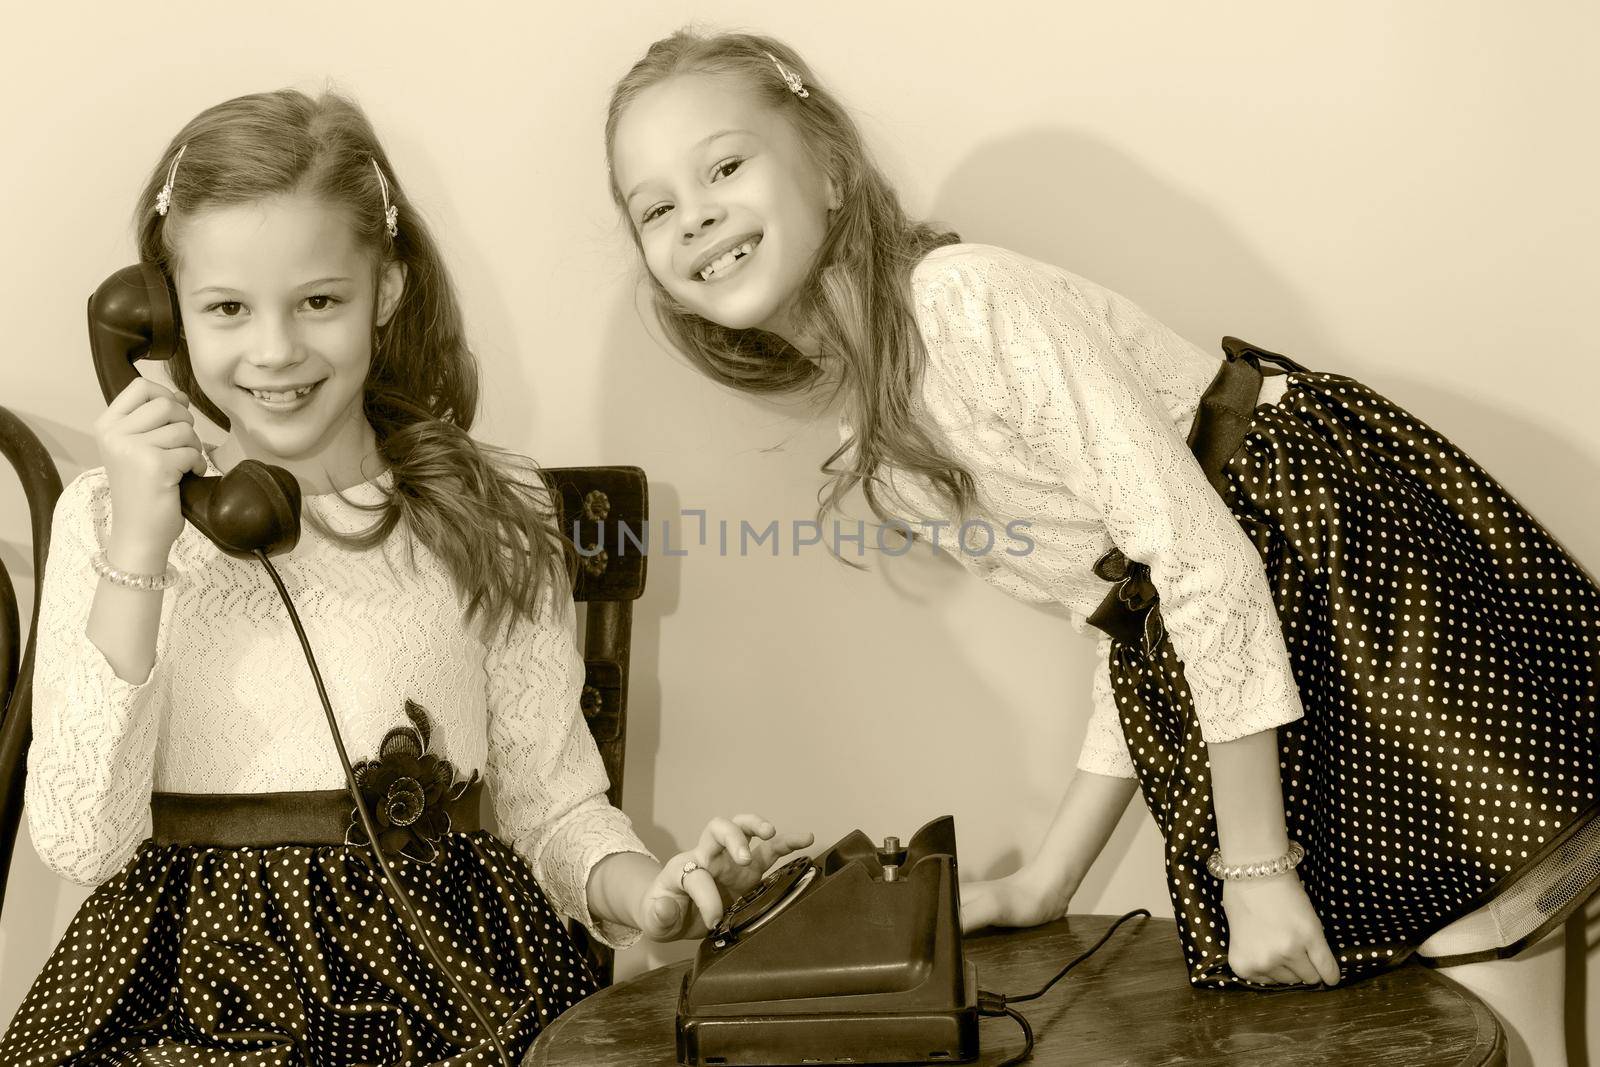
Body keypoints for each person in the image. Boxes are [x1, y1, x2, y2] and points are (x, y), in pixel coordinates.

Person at [602, 28, 1599, 999]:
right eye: (655, 208)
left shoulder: (963, 303)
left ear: (828, 170)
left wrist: (1254, 865)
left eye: (724, 166)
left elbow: (1202, 560)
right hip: (1254, 642)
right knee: (1401, 957)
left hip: (1344, 578)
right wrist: (1047, 878)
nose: (693, 214)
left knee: (1485, 912)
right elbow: (1138, 627)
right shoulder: (885, 454)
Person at [1, 88, 810, 1066]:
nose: (275, 350)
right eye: (225, 308)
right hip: (194, 1000)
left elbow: (551, 804)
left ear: (384, 289)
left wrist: (654, 892)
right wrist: (138, 546)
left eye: (319, 301)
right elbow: (81, 842)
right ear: (162, 314)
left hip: (458, 991)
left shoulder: (491, 505)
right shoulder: (111, 515)